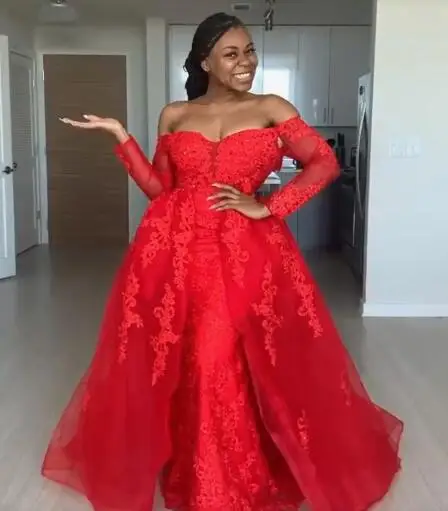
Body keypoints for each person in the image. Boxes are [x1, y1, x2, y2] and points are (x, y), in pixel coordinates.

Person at [42, 12, 403, 511]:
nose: (245, 63)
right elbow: (160, 190)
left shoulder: (271, 108)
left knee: (223, 354)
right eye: (231, 54)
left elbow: (323, 162)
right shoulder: (175, 115)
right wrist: (122, 137)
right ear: (204, 62)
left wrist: (269, 206)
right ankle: (198, 467)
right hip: (175, 252)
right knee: (190, 358)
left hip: (245, 253)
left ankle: (224, 485)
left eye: (249, 51)